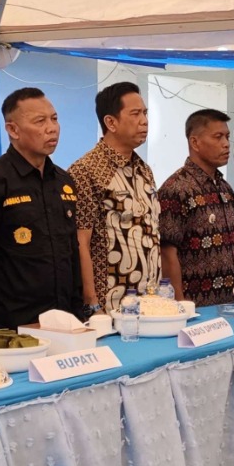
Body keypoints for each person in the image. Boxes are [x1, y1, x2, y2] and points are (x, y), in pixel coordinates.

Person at [0, 88, 82, 332]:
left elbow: (71, 252)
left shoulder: (64, 182)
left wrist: (78, 313)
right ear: (13, 130)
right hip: (11, 326)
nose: (52, 128)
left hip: (64, 323)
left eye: (54, 119)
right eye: (40, 121)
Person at [69, 82, 160, 315]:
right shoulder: (86, 171)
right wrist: (92, 303)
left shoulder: (144, 170)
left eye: (145, 113)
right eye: (135, 114)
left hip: (150, 303)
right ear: (111, 122)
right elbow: (80, 242)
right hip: (111, 306)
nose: (144, 121)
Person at [158, 109, 234, 306]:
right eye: (218, 137)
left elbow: (230, 234)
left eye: (227, 136)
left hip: (230, 303)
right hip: (195, 307)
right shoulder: (176, 189)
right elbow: (166, 253)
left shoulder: (225, 189)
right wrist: (178, 306)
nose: (226, 144)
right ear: (195, 143)